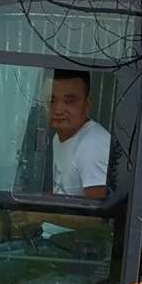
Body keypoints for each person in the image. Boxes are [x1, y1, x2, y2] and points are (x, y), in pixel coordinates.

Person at [47, 69, 109, 199]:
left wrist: (36, 215)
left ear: (86, 106)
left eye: (69, 101)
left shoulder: (93, 147)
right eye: (52, 100)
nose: (58, 110)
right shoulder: (58, 137)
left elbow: (99, 215)